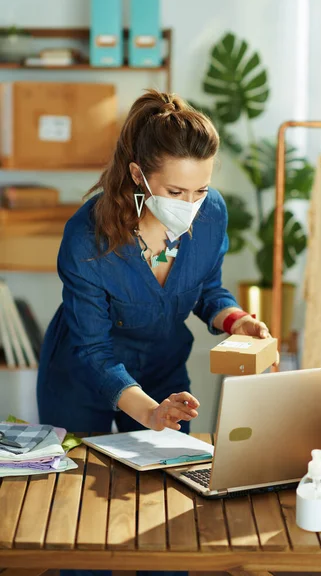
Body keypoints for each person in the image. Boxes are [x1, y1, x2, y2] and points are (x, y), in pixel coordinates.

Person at [37, 90, 272, 576]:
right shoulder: (88, 238)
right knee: (83, 527)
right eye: (176, 193)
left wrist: (236, 321)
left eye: (201, 190)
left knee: (168, 521)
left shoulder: (211, 216)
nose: (192, 206)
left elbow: (207, 287)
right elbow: (95, 352)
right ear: (139, 175)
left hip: (164, 369)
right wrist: (149, 412)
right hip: (81, 382)